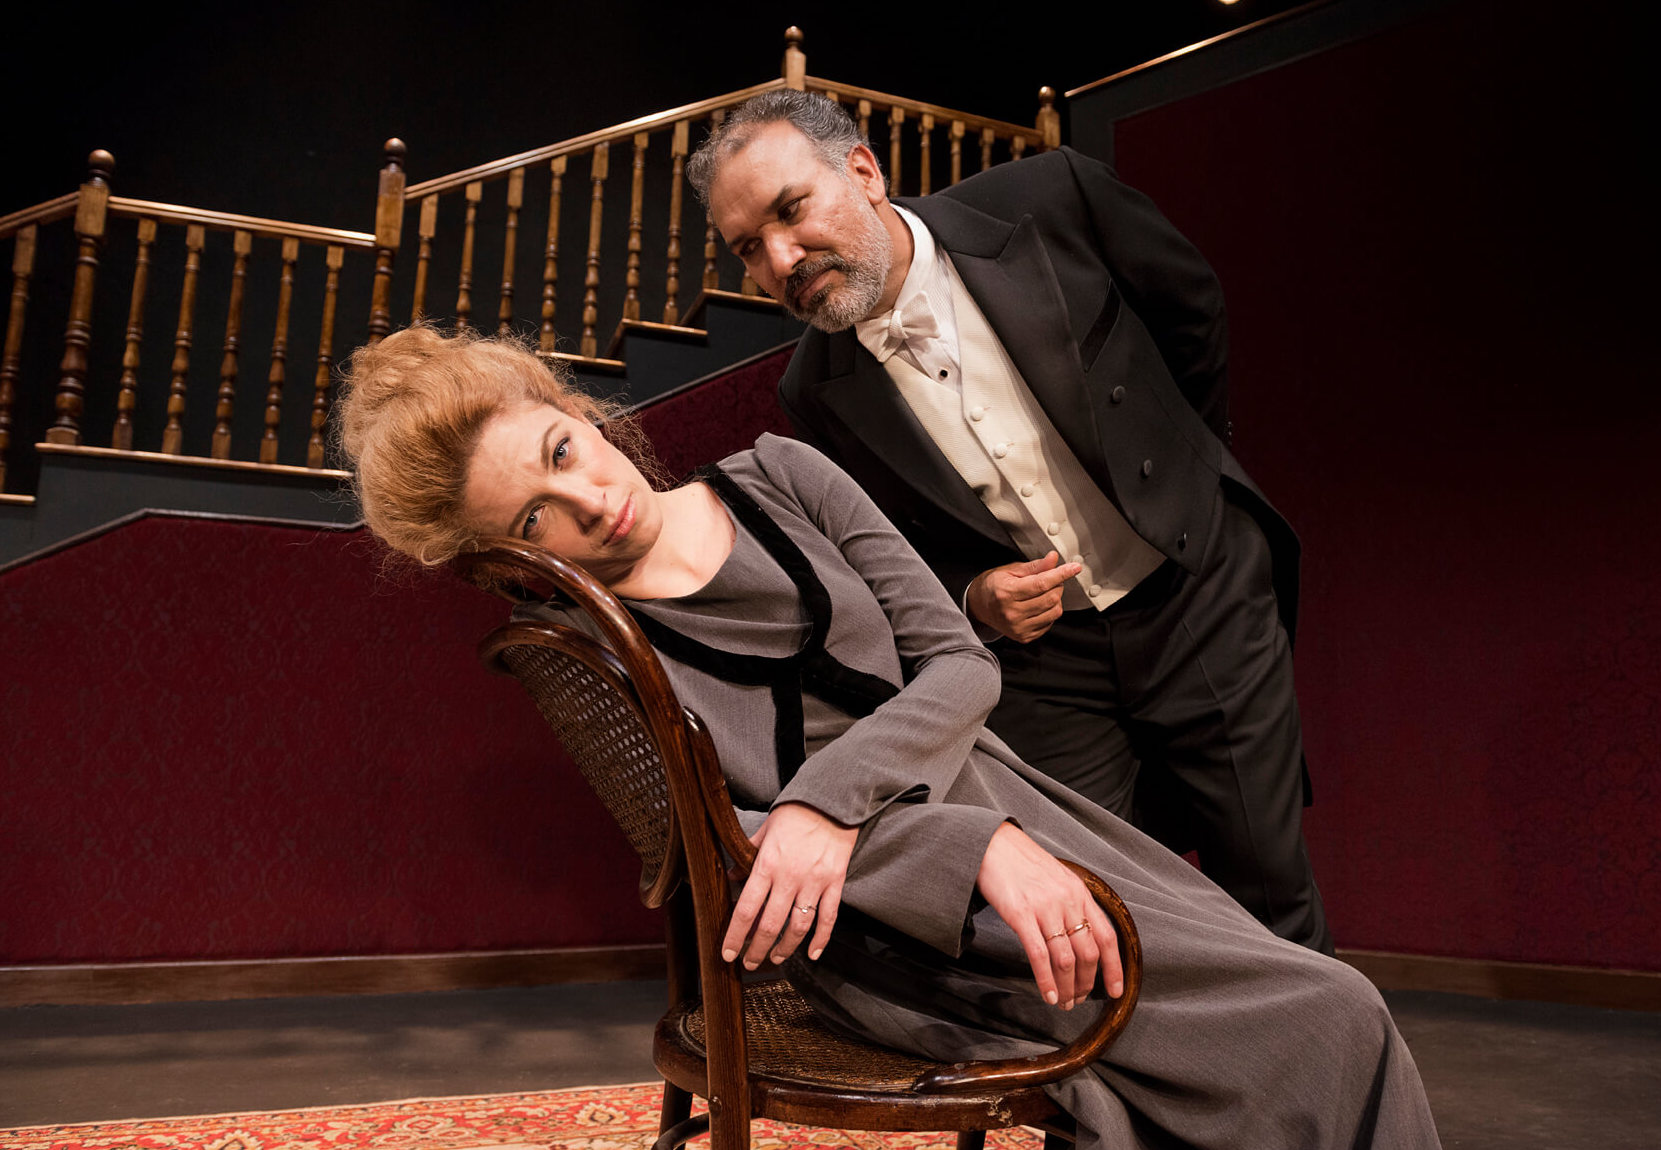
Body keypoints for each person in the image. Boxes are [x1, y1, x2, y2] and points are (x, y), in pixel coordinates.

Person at [333, 325, 1440, 1150]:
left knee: (1315, 998)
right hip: (881, 924)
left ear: (580, 412)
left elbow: (963, 665)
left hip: (1019, 814)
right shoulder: (587, 645)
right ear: (512, 556)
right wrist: (964, 848)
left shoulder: (785, 474)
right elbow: (719, 849)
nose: (587, 499)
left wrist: (837, 805)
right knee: (1323, 1017)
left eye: (562, 449)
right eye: (534, 517)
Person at [685, 92, 1331, 954]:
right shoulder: (811, 389)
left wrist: (1175, 480)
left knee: (1269, 886)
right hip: (1048, 669)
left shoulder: (1051, 198)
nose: (779, 258)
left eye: (790, 210)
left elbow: (1191, 312)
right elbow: (897, 550)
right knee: (1096, 912)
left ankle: (1320, 1045)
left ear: (864, 172)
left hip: (1198, 593)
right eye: (746, 248)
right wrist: (973, 596)